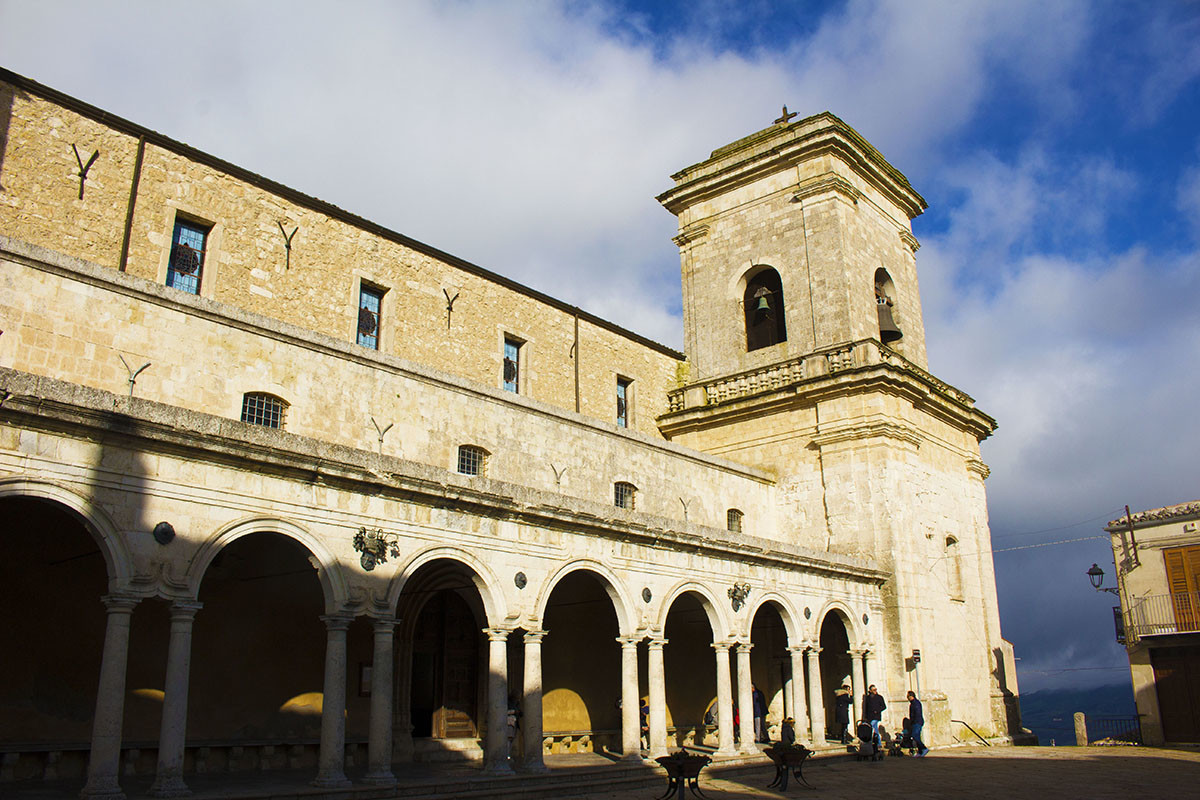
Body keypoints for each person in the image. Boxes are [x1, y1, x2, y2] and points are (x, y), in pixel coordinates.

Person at [907, 690, 929, 756]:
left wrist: (913, 720)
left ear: (911, 696)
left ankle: (924, 748)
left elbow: (917, 713)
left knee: (915, 735)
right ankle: (920, 751)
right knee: (916, 737)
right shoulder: (912, 703)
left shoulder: (916, 703)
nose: (907, 698)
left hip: (917, 722)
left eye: (908, 696)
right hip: (915, 722)